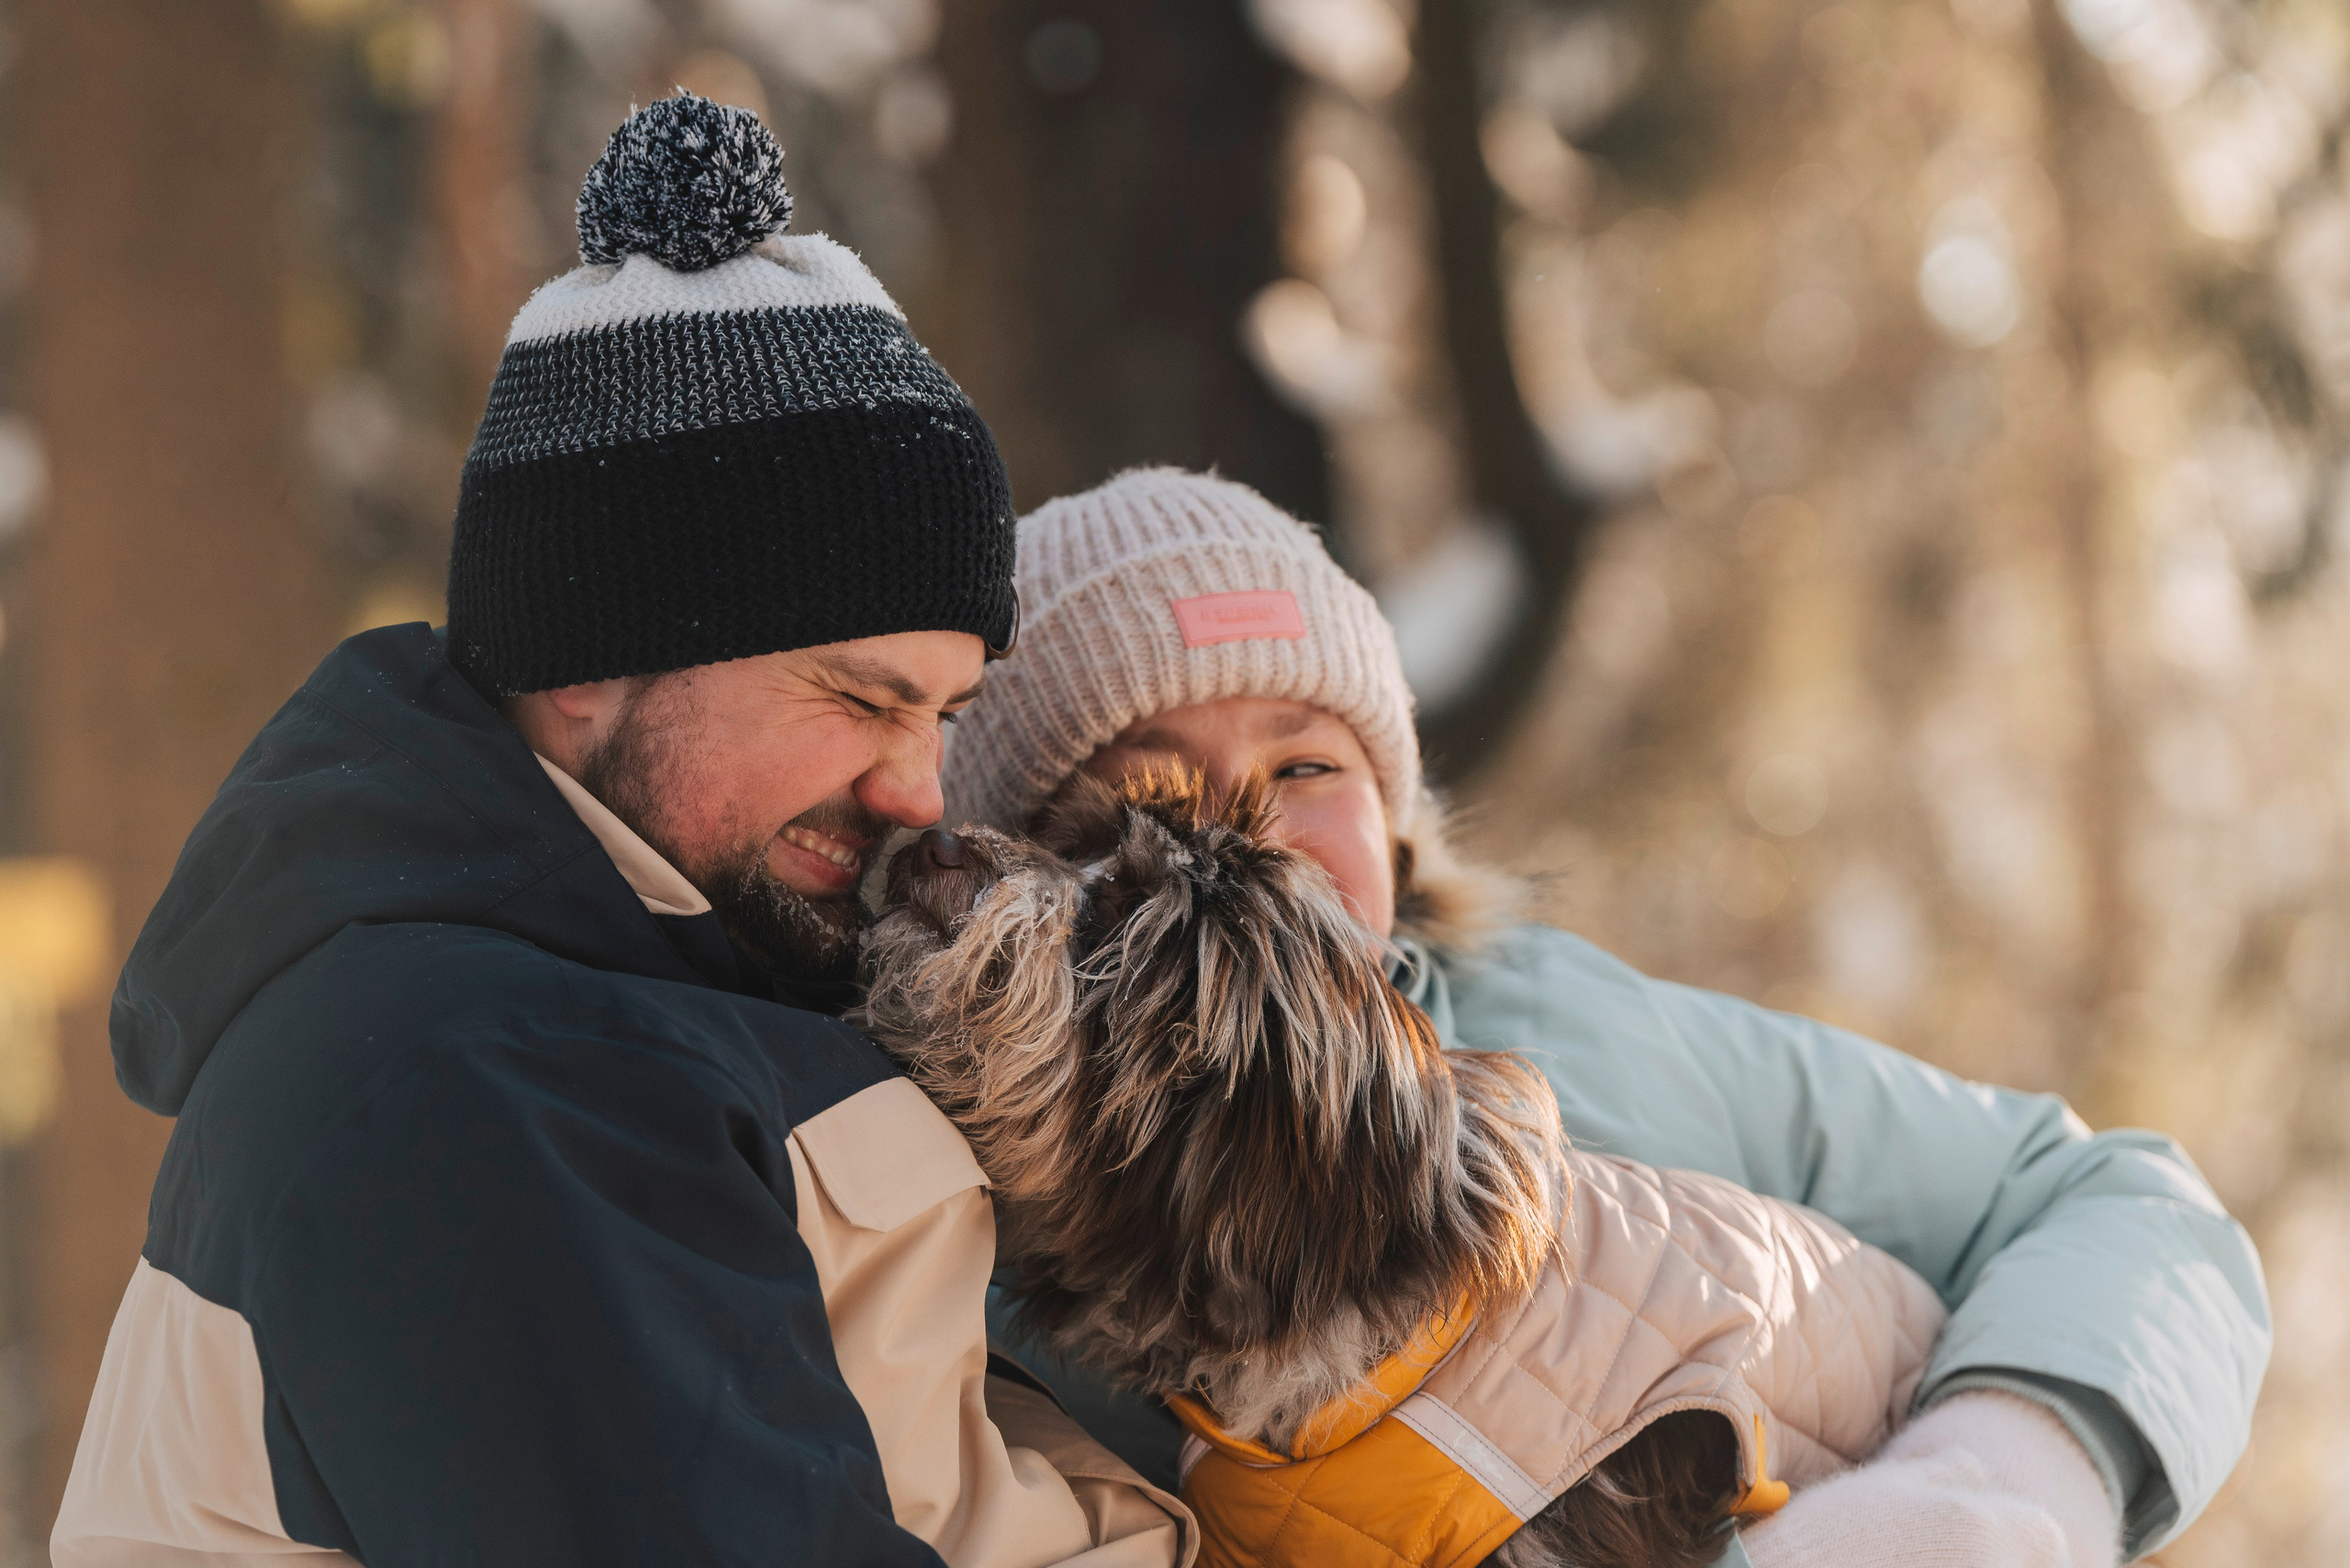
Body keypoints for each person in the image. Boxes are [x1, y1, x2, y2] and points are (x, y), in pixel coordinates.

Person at [52, 97, 1188, 1568]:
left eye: (945, 716)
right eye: (860, 698)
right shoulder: (495, 1080)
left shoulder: (607, 1001)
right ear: (588, 656)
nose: (918, 790)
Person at [938, 466, 2272, 1567]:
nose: (1261, 840)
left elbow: (2123, 1201)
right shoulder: (952, 1243)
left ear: (1396, 824)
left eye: (1307, 765)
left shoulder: (1574, 1022)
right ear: (1020, 885)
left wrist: (1995, 1487)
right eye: (1156, 806)